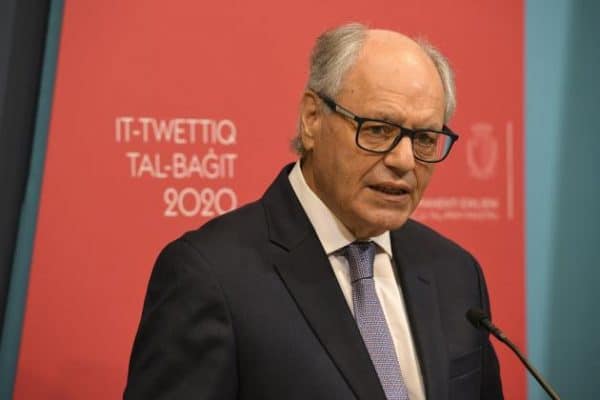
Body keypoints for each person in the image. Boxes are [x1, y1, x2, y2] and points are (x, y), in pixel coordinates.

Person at [124, 22, 503, 400]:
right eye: (378, 130)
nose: (404, 160)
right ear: (312, 118)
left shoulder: (456, 272)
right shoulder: (210, 276)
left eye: (424, 139)